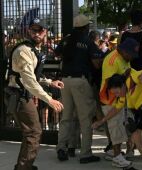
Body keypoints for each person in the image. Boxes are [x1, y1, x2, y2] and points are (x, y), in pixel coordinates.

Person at [7, 17, 64, 170]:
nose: (36, 33)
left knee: (30, 133)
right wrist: (49, 99)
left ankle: (23, 166)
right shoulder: (23, 51)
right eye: (33, 30)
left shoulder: (33, 49)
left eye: (40, 30)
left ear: (45, 32)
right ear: (28, 31)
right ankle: (24, 167)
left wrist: (49, 82)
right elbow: (28, 81)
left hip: (24, 94)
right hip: (20, 96)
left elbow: (33, 76)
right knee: (33, 132)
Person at [93, 71, 142, 170]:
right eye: (115, 94)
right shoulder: (123, 95)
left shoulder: (131, 78)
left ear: (122, 85)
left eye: (117, 92)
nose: (117, 95)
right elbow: (116, 109)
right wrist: (101, 121)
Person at [54, 14, 102, 163]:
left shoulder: (67, 38)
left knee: (66, 117)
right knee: (85, 118)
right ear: (86, 27)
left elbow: (57, 53)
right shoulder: (87, 41)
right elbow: (96, 64)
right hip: (80, 81)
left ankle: (62, 148)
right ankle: (86, 153)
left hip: (64, 81)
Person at [97, 38, 140, 168]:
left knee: (119, 126)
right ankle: (117, 157)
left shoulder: (124, 58)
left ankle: (114, 152)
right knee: (115, 127)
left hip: (119, 98)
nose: (132, 58)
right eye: (131, 54)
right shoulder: (112, 60)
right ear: (124, 51)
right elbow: (112, 83)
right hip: (110, 99)